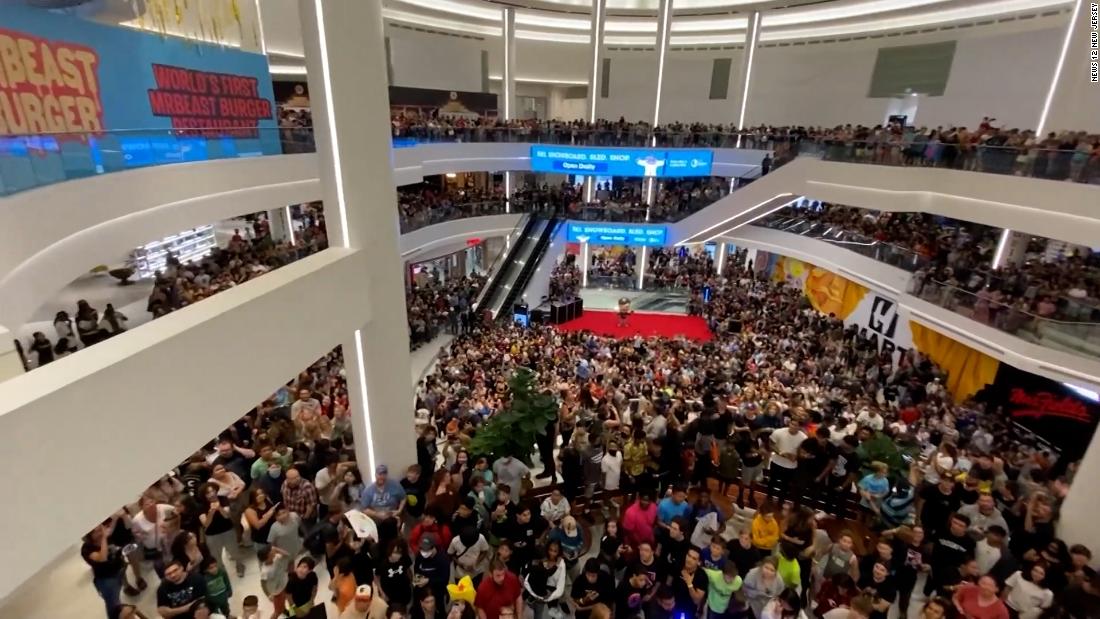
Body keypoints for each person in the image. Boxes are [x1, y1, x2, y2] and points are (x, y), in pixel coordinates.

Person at [82, 518, 127, 618]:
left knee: (116, 599)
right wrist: (104, 538)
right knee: (113, 606)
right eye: (98, 531)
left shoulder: (106, 535)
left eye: (101, 528)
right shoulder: (87, 549)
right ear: (91, 536)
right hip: (107, 580)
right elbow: (102, 558)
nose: (102, 532)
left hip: (118, 571)